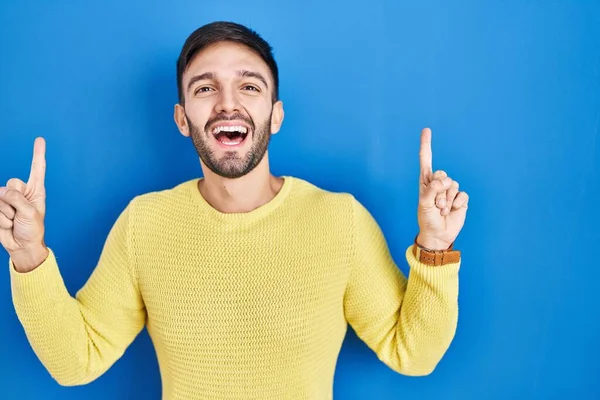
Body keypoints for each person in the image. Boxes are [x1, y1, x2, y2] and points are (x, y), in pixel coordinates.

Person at [0, 21, 469, 400]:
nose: (228, 103)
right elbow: (77, 361)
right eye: (205, 89)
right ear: (183, 119)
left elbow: (414, 355)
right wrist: (28, 254)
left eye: (249, 86)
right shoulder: (145, 224)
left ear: (276, 114)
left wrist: (434, 248)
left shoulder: (339, 220)